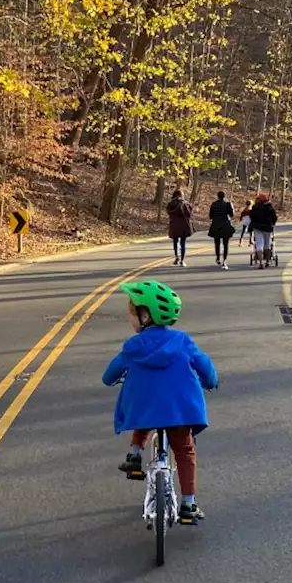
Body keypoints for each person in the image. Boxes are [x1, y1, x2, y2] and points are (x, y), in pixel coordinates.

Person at [103, 280, 218, 522]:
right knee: (185, 450)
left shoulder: (132, 346)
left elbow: (109, 376)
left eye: (132, 314)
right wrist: (210, 381)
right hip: (180, 410)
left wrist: (112, 379)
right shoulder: (182, 341)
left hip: (144, 408)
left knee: (145, 410)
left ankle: (135, 454)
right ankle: (188, 503)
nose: (130, 319)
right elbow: (205, 367)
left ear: (145, 316)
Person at [207, 192, 236, 270]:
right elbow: (232, 214)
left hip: (216, 225)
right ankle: (225, 261)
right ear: (224, 196)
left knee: (217, 242)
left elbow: (210, 216)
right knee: (225, 244)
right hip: (225, 225)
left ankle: (218, 258)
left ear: (218, 196)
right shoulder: (228, 204)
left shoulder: (214, 204)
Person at [249, 193, 278, 269]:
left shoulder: (255, 207)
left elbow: (251, 216)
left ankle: (261, 262)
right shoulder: (270, 207)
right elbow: (274, 218)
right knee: (267, 245)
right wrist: (272, 223)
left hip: (257, 228)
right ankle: (268, 261)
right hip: (267, 228)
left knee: (259, 244)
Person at [165, 190, 193, 267]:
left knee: (175, 241)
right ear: (181, 195)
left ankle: (177, 256)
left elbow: (168, 213)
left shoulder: (171, 204)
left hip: (174, 226)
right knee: (183, 243)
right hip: (184, 225)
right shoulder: (186, 204)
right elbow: (190, 214)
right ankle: (182, 261)